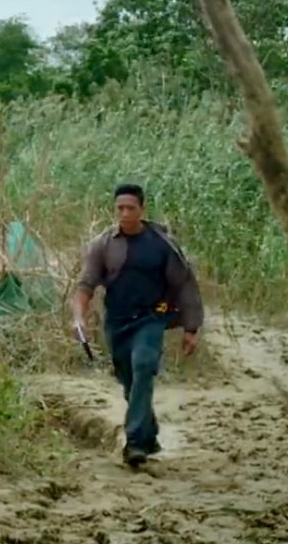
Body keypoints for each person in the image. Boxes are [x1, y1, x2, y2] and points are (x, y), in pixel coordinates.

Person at [70, 183, 205, 468]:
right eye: (120, 208)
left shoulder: (162, 244)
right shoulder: (104, 244)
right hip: (117, 322)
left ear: (142, 209)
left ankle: (134, 443)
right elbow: (86, 285)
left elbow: (184, 284)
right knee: (129, 382)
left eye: (130, 208)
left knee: (144, 366)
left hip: (151, 318)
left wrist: (191, 328)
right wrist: (78, 317)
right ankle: (148, 434)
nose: (125, 213)